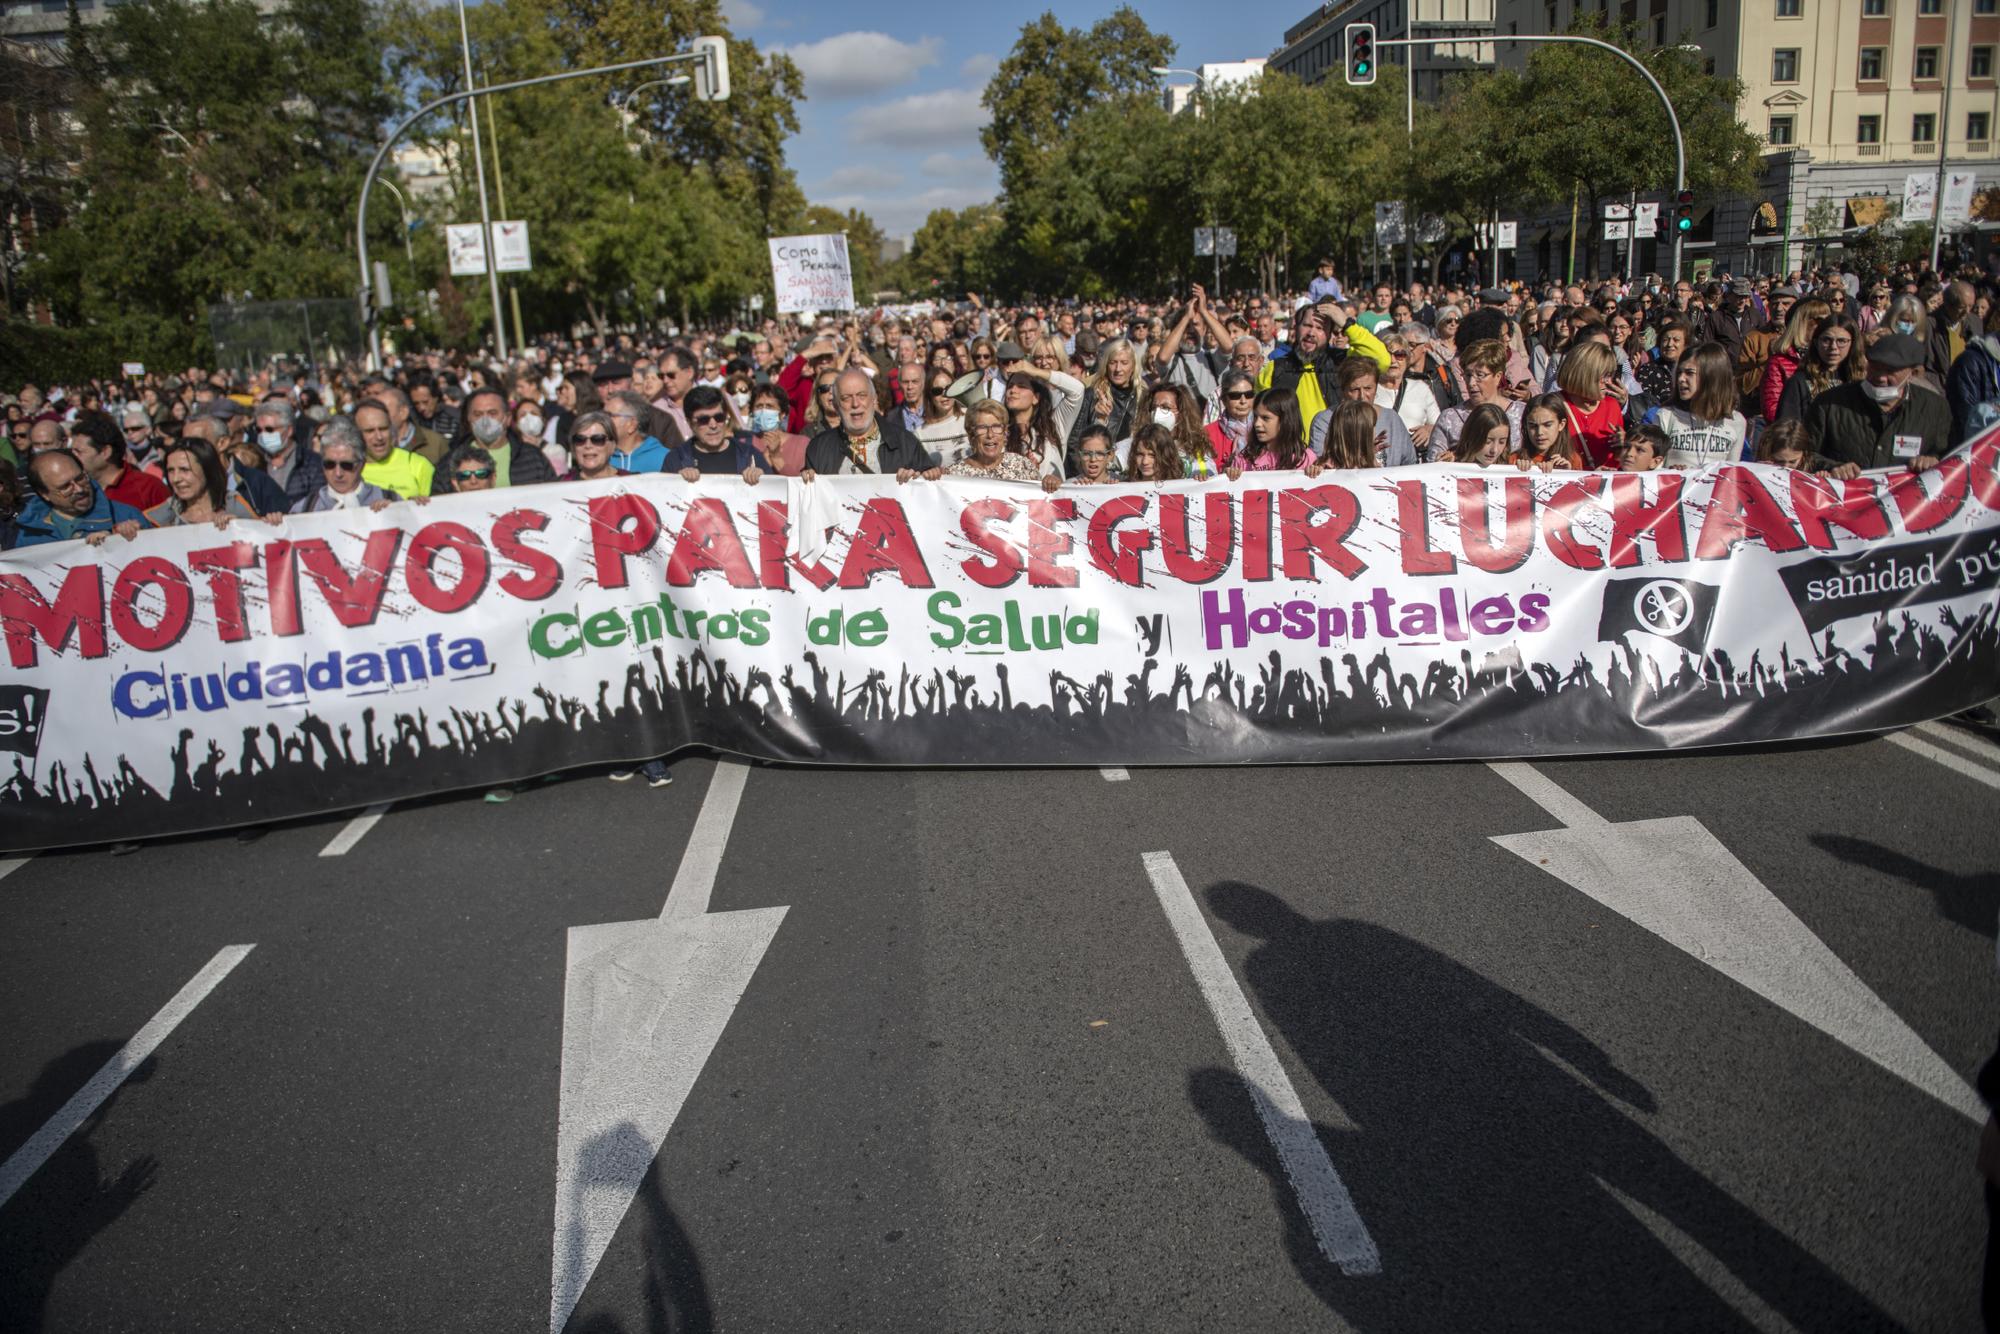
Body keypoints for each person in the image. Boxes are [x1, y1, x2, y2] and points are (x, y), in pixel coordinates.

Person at [1804, 332, 1951, 473]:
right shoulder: (1830, 404)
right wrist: (1832, 467)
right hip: (1845, 495)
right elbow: (1803, 455)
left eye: (1890, 370)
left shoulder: (1935, 408)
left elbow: (1952, 459)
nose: (1880, 377)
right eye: (1875, 367)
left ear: (1912, 373)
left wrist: (1934, 460)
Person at [802, 367, 941, 480]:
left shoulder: (905, 442)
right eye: (846, 398)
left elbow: (928, 495)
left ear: (874, 400)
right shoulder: (818, 448)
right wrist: (806, 480)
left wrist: (925, 476)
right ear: (837, 406)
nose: (855, 404)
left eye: (862, 395)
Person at [13, 448, 146, 547]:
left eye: (80, 478)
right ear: (44, 494)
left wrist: (129, 540)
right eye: (65, 487)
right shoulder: (29, 535)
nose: (79, 489)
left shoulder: (126, 515)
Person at [1650, 342, 1748, 469]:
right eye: (1679, 372)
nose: (1681, 379)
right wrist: (1671, 472)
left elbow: (1731, 473)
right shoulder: (1666, 416)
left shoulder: (1736, 421)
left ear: (1712, 376)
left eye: (1689, 373)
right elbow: (1652, 470)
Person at [144, 436, 269, 528]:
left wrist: (241, 527)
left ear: (207, 470)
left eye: (184, 470)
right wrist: (132, 530)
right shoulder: (161, 517)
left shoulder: (234, 505)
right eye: (171, 470)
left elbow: (263, 541)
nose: (176, 479)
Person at [1430, 338, 1523, 460]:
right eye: (1468, 375)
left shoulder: (1522, 414)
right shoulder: (1449, 418)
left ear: (1498, 377)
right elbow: (1432, 464)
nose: (1471, 383)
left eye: (1480, 375)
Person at [662, 385, 770, 482]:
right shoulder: (676, 459)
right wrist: (677, 482)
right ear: (690, 422)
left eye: (719, 417)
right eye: (703, 420)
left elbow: (773, 495)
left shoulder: (749, 455)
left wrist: (763, 479)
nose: (713, 425)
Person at [67, 412, 168, 512]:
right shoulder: (74, 489)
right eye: (72, 451)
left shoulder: (149, 488)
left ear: (105, 452)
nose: (72, 457)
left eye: (79, 452)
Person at [1774, 314, 1865, 423]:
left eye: (1841, 341)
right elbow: (1786, 427)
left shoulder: (1863, 381)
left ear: (1852, 343)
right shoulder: (1799, 382)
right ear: (1816, 343)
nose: (1833, 347)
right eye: (1826, 340)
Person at [294, 419, 401, 512]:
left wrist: (397, 513)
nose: (338, 473)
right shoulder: (304, 509)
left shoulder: (391, 500)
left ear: (362, 464)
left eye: (346, 465)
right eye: (329, 464)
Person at [1069, 337, 1143, 463]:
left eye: (1124, 363)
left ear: (1133, 366)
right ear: (1106, 365)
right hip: (1095, 473)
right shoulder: (1091, 395)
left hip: (1130, 472)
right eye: (1113, 362)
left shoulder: (1143, 397)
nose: (1118, 369)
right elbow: (1074, 442)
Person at [1758, 299, 1832, 422]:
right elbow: (1772, 411)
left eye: (1829, 320)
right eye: (1819, 320)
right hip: (1796, 435)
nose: (1826, 326)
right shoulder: (1779, 362)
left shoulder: (1833, 359)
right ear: (1801, 323)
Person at [1554, 341, 1626, 469]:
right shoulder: (1555, 405)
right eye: (1605, 376)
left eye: (1611, 375)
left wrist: (1624, 445)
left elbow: (1618, 458)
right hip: (1569, 482)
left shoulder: (1612, 406)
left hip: (1607, 483)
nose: (1609, 382)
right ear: (1585, 375)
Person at [947, 400, 1049, 485]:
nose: (990, 435)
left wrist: (1052, 485)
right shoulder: (953, 475)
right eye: (982, 427)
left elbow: (1041, 504)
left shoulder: (1021, 464)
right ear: (971, 434)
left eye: (996, 426)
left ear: (1005, 432)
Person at [1377, 329, 1440, 457]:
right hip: (1379, 461)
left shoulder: (1421, 388)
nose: (1393, 360)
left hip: (1413, 461)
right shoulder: (1370, 389)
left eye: (1399, 355)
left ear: (1407, 359)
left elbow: (1439, 423)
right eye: (1387, 354)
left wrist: (1428, 429)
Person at [355, 397, 434, 498]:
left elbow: (436, 508)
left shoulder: (417, 464)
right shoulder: (347, 470)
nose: (379, 437)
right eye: (370, 431)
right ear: (356, 434)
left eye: (383, 429)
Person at [1227, 387, 1313, 475]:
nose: (1257, 424)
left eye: (1265, 418)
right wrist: (1232, 475)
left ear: (1285, 420)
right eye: (1255, 417)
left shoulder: (1306, 458)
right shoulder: (1244, 460)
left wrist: (1316, 472)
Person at [748, 383, 810, 476]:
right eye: (759, 406)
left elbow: (800, 483)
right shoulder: (745, 442)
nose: (764, 411)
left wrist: (776, 457)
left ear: (782, 414)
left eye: (769, 406)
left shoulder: (801, 443)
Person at [915, 367, 970, 468]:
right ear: (929, 395)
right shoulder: (920, 433)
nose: (944, 395)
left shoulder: (971, 417)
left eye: (949, 388)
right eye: (937, 391)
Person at [605, 389, 669, 474]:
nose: (601, 420)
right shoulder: (599, 458)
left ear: (632, 424)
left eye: (610, 415)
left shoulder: (664, 458)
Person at [1309, 400, 1379, 473]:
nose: (1375, 432)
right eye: (1373, 427)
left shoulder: (1370, 462)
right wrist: (1312, 472)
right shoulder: (1326, 467)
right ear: (1360, 435)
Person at [1207, 369, 1257, 469]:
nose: (1243, 401)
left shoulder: (1264, 429)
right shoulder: (1207, 434)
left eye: (1248, 395)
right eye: (1235, 396)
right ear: (1224, 400)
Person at [1518, 394, 1579, 471]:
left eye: (1547, 425)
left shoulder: (1572, 460)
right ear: (1526, 425)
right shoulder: (1515, 460)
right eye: (1533, 426)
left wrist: (1566, 474)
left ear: (1561, 424)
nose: (1540, 432)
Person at [561, 412, 621, 483]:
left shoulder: (632, 482)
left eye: (598, 439)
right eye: (580, 439)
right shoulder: (561, 485)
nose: (588, 445)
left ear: (613, 445)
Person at [1447, 403, 1513, 466]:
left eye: (1502, 442)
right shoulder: (1451, 462)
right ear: (1471, 437)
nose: (1494, 450)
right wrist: (1443, 465)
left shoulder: (1512, 464)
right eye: (1488, 441)